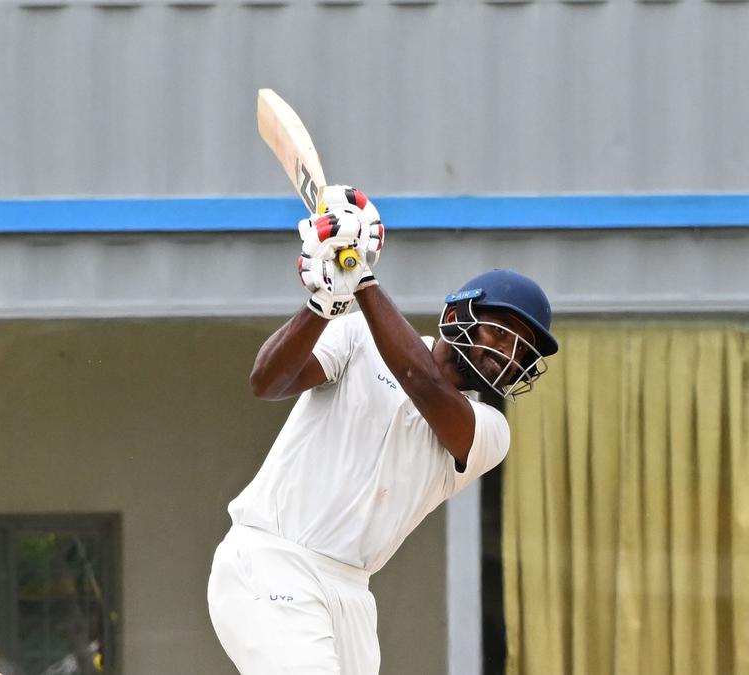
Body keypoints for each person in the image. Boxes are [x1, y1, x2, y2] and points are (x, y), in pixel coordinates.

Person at [206, 186, 559, 675]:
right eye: (500, 334)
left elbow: (423, 383)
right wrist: (323, 304)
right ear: (458, 317)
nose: (506, 356)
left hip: (352, 590)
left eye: (522, 353)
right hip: (272, 558)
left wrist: (361, 277)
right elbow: (267, 382)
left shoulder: (490, 431)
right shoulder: (356, 334)